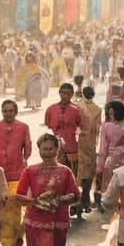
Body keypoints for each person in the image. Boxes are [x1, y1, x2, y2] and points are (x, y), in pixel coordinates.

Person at [15, 132, 80, 246]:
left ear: (57, 150)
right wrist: (36, 202)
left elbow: (75, 195)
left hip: (58, 223)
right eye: (45, 149)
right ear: (39, 150)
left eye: (51, 149)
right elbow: (19, 197)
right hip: (35, 223)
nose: (48, 152)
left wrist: (59, 200)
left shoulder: (65, 171)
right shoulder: (30, 171)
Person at [0, 99, 32, 246]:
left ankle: (16, 239)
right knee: (2, 212)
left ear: (16, 112)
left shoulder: (23, 127)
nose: (7, 113)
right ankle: (11, 241)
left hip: (16, 175)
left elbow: (28, 148)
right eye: (5, 111)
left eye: (10, 111)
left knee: (15, 210)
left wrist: (23, 161)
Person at [44, 83, 82, 215]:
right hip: (55, 149)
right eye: (62, 92)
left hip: (72, 146)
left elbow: (80, 126)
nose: (64, 95)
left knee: (72, 175)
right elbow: (49, 126)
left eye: (67, 93)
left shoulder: (77, 110)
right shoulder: (50, 109)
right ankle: (56, 203)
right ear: (59, 93)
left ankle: (74, 204)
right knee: (55, 176)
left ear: (71, 94)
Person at [76, 86, 103, 212]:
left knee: (78, 170)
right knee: (88, 170)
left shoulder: (77, 106)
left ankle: (79, 199)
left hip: (78, 142)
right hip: (90, 143)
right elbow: (97, 129)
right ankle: (85, 198)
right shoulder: (97, 109)